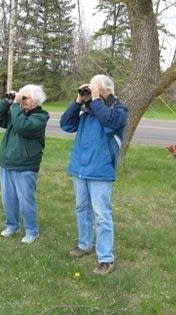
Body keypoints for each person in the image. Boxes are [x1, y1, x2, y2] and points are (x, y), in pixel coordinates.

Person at [60, 74, 128, 275]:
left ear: (106, 90)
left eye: (94, 88)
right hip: (80, 166)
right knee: (81, 208)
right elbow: (65, 124)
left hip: (101, 169)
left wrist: (96, 100)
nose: (90, 91)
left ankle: (106, 258)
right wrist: (78, 101)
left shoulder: (118, 109)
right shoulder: (86, 109)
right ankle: (84, 244)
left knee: (101, 214)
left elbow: (110, 121)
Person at [0, 84, 49, 244]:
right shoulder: (16, 113)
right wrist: (6, 102)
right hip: (7, 163)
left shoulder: (40, 117)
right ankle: (12, 225)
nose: (21, 100)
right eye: (20, 96)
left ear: (36, 101)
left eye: (25, 97)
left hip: (25, 166)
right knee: (7, 198)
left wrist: (15, 105)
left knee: (26, 200)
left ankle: (32, 230)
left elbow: (22, 126)